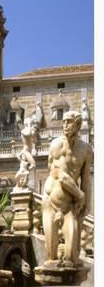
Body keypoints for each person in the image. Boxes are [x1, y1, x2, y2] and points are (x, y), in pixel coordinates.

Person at [42, 111, 93, 267]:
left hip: (71, 206)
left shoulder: (86, 150)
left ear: (78, 124)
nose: (64, 125)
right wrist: (80, 195)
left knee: (72, 258)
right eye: (63, 121)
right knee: (51, 258)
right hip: (51, 202)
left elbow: (85, 180)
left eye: (69, 121)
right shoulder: (56, 145)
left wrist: (87, 205)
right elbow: (58, 174)